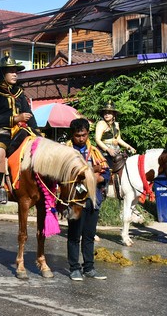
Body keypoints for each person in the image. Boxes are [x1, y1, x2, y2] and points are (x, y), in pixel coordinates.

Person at [0, 55, 38, 204]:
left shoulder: (20, 92)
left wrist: (38, 132)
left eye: (16, 71)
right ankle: (1, 187)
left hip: (20, 131)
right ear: (1, 73)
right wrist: (15, 119)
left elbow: (29, 115)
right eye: (11, 71)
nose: (15, 74)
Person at [65, 118, 110, 281]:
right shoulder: (66, 152)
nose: (81, 138)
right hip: (74, 199)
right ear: (72, 135)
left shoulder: (96, 152)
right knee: (74, 235)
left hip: (93, 198)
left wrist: (101, 178)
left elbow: (106, 172)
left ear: (88, 134)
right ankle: (74, 268)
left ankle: (89, 268)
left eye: (84, 135)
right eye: (78, 135)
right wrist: (92, 171)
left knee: (89, 235)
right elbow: (67, 173)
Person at [94, 101, 136, 169]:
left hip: (116, 151)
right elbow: (97, 139)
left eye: (109, 113)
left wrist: (129, 147)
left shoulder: (116, 125)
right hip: (104, 152)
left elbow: (118, 139)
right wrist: (108, 150)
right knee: (108, 170)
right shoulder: (101, 124)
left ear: (114, 114)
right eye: (105, 113)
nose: (107, 115)